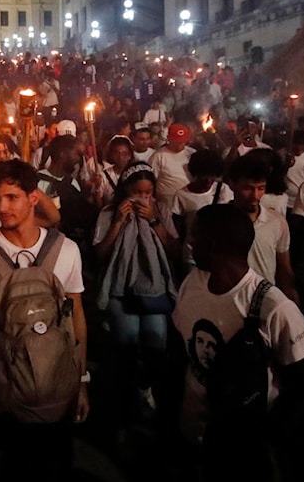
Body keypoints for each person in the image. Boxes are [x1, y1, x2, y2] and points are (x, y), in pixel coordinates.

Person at [0, 160, 88, 482]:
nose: (1, 206)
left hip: (55, 387)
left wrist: (81, 381)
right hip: (0, 390)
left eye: (12, 197)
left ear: (34, 198)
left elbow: (75, 318)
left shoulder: (66, 249)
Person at [172, 204, 304, 480]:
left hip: (246, 443)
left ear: (213, 246)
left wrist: (268, 433)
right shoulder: (192, 283)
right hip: (195, 428)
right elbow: (180, 346)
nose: (189, 242)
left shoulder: (274, 307)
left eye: (195, 235)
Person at [92, 161, 179, 429]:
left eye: (148, 192)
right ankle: (126, 403)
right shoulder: (109, 212)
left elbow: (174, 250)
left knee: (156, 346)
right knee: (126, 348)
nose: (143, 198)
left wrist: (153, 221)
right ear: (125, 191)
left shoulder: (161, 210)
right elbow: (100, 253)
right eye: (137, 192)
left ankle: (148, 389)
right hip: (121, 289)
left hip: (154, 289)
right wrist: (118, 222)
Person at [228, 154, 299, 304]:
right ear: (232, 185)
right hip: (231, 300)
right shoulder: (220, 221)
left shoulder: (277, 221)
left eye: (261, 188)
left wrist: (289, 292)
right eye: (248, 188)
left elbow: (283, 265)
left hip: (264, 300)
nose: (255, 195)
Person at [150, 123, 194, 213]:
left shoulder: (192, 153)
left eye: (182, 142)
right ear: (168, 139)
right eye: (176, 142)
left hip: (189, 203)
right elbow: (150, 180)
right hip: (167, 207)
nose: (179, 146)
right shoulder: (158, 156)